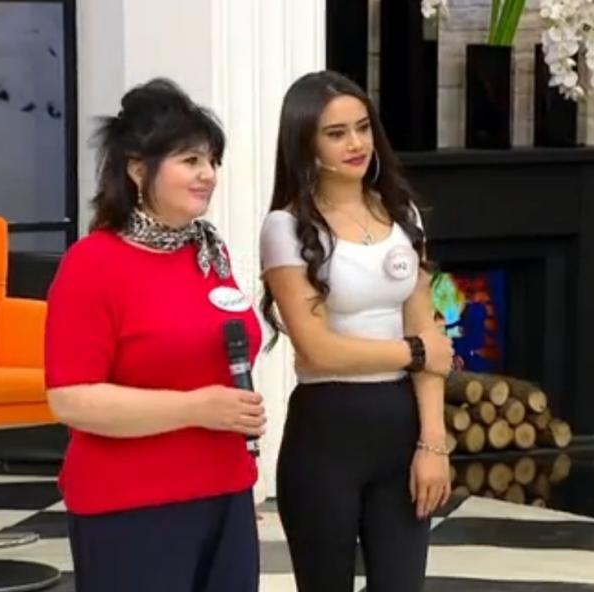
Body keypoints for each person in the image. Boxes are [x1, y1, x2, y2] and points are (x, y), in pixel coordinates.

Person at [45, 79, 264, 592]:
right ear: (138, 169)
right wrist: (196, 408)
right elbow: (71, 398)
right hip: (131, 503)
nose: (208, 174)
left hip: (225, 493)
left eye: (212, 161)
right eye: (190, 160)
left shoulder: (208, 252)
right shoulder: (92, 264)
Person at [259, 70, 454, 592]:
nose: (356, 144)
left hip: (402, 428)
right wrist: (414, 351)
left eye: (363, 128)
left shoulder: (403, 214)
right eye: (336, 133)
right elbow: (317, 349)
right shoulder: (286, 227)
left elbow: (428, 331)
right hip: (327, 433)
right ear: (306, 142)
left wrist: (433, 444)